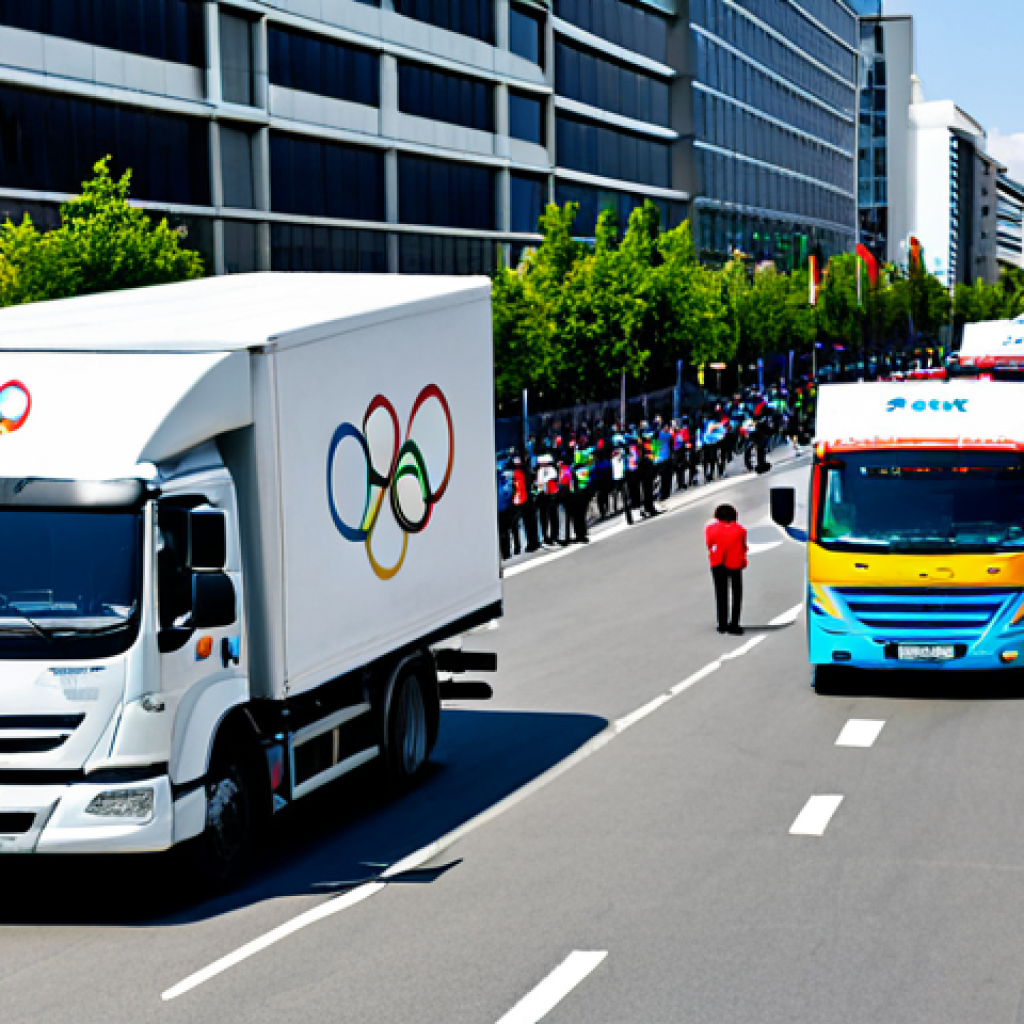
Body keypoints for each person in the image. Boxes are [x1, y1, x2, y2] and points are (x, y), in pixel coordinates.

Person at [705, 503, 747, 635]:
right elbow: (743, 547)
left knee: (720, 593)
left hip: (717, 563)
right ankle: (734, 623)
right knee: (736, 593)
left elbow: (709, 543)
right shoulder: (740, 530)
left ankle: (722, 623)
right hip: (734, 563)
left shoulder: (710, 528)